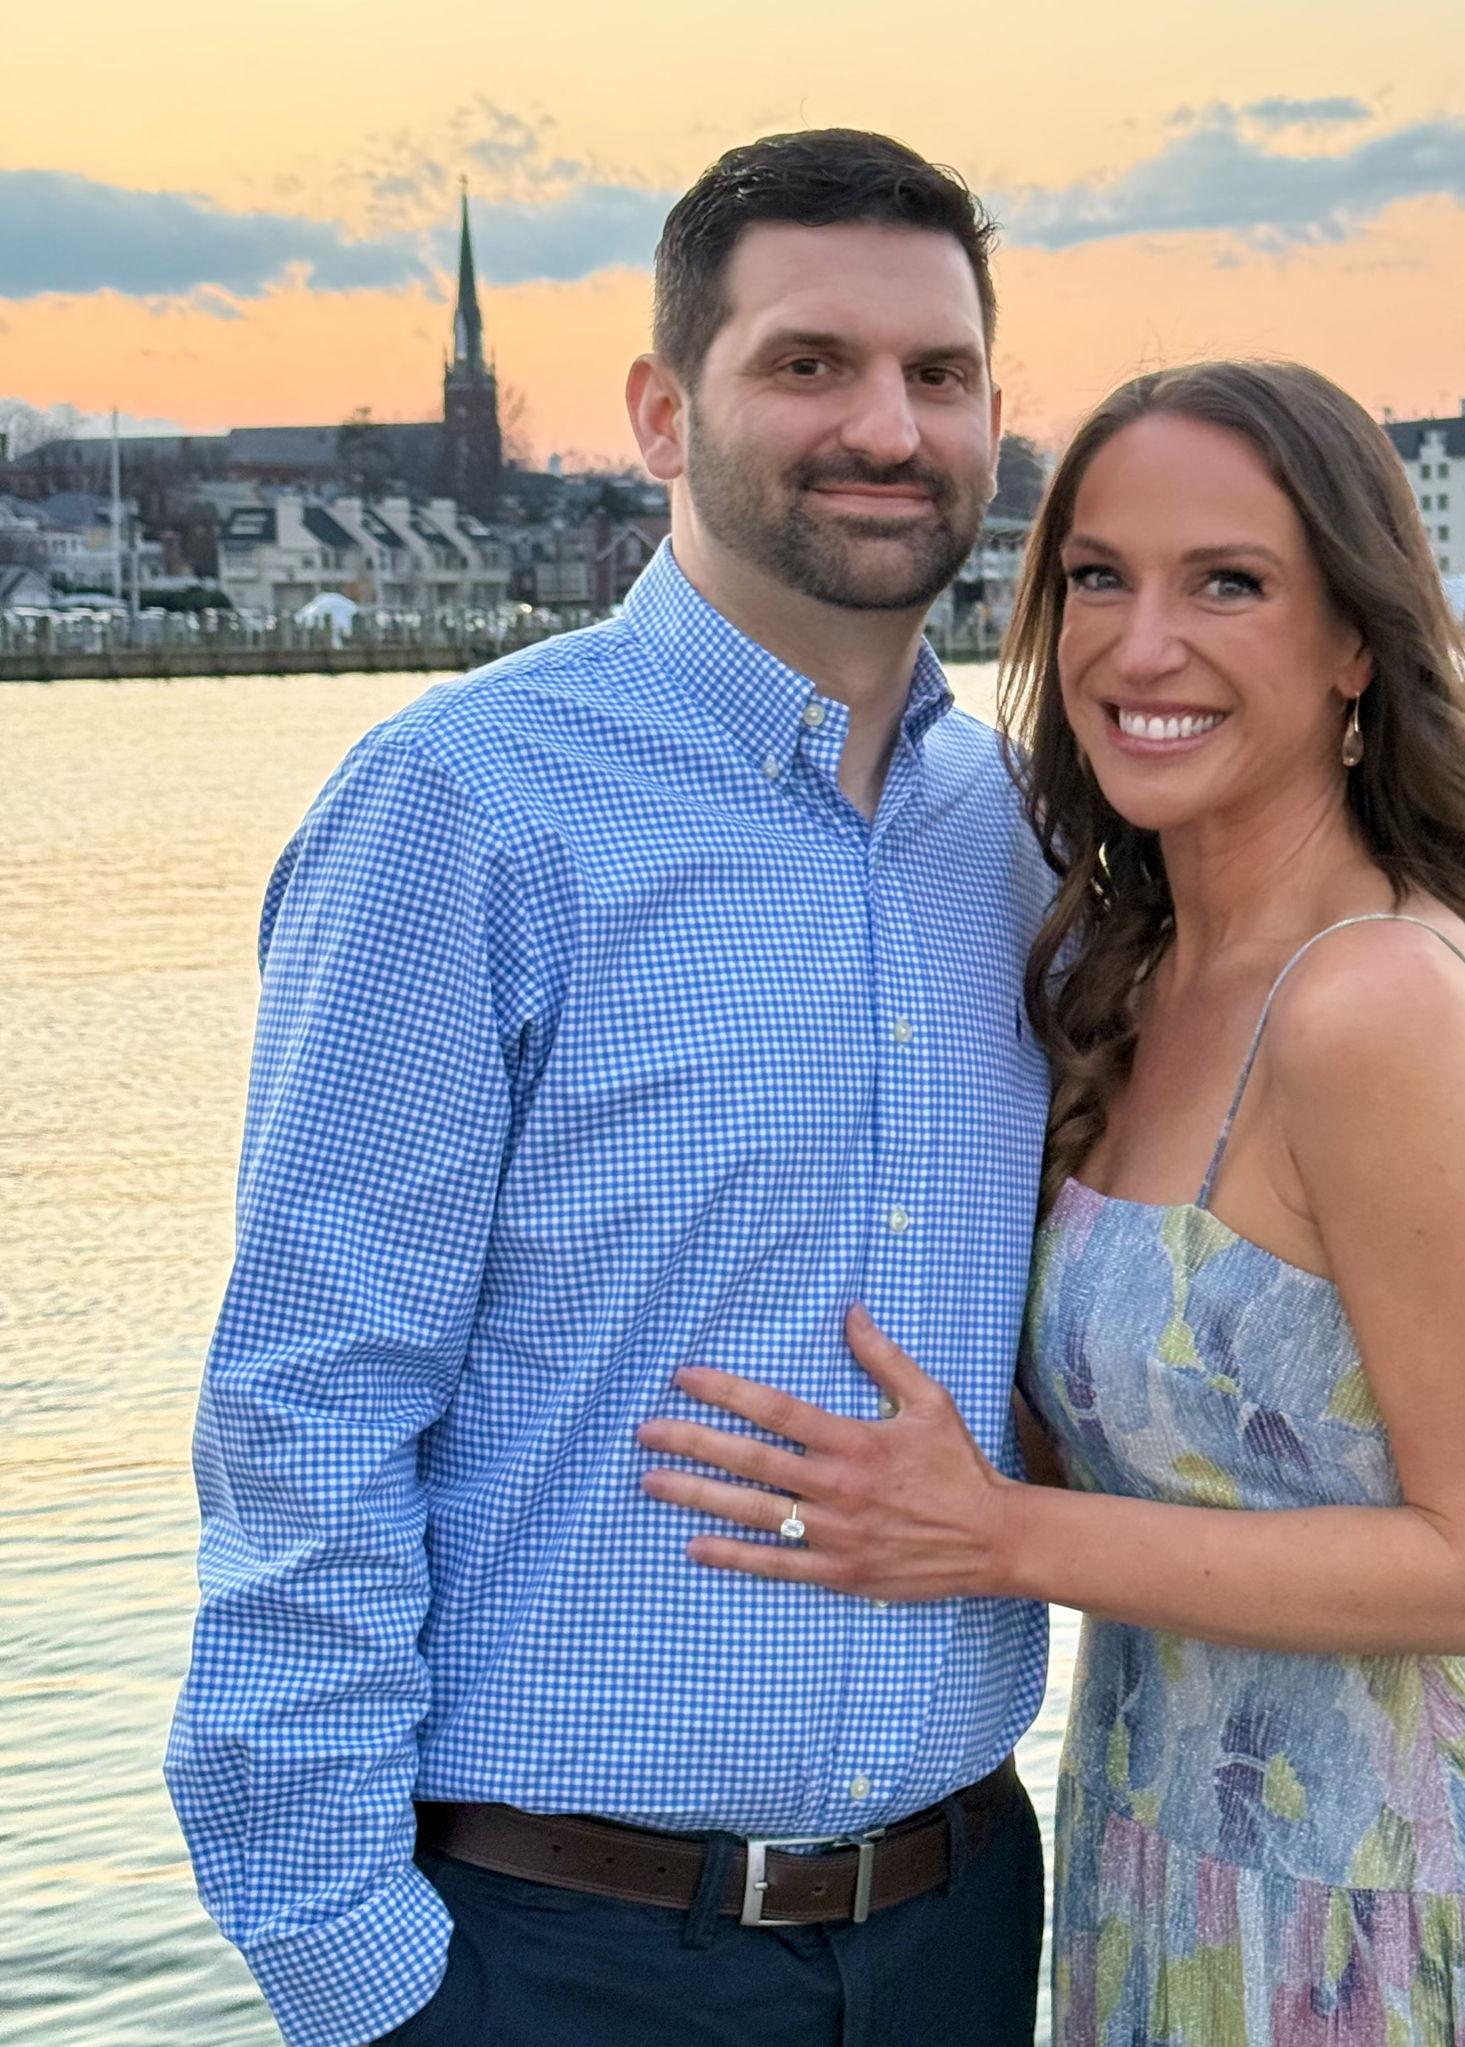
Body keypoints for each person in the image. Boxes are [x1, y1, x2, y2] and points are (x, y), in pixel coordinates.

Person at [164, 130, 1055, 2047]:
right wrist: (360, 1974)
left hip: (964, 1927)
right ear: (665, 410)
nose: (886, 429)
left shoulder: (1023, 845)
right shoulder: (465, 813)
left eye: (940, 374)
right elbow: (308, 1404)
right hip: (560, 1955)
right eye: (808, 364)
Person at [642, 360, 1465, 2043]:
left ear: (1353, 649)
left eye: (1226, 584)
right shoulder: (1130, 968)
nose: (1139, 645)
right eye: (1096, 577)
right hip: (1153, 1845)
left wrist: (993, 1538)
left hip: (1385, 1905)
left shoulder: (1370, 1002)